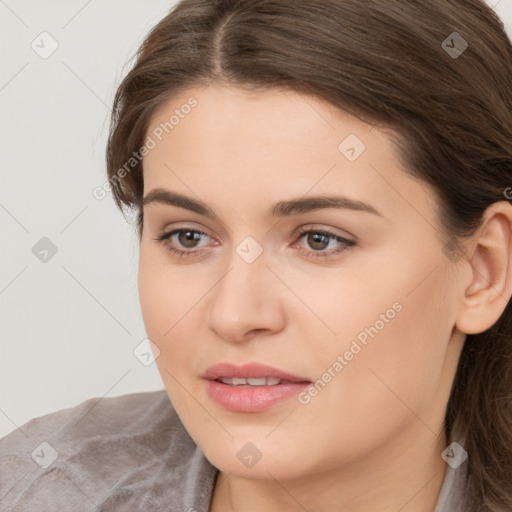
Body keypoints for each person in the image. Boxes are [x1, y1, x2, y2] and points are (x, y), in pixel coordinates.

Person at [2, 0, 512, 510]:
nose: (234, 315)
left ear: (482, 270)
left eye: (319, 239)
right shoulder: (37, 487)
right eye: (188, 236)